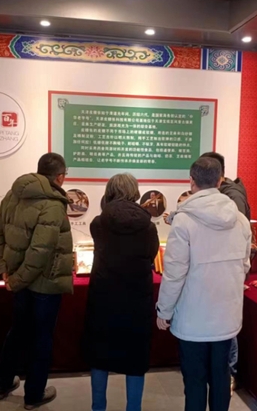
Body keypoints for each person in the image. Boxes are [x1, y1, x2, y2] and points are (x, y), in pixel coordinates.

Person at [156, 157, 251, 411]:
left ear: (191, 181)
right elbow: (244, 266)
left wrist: (164, 311)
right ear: (220, 181)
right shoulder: (240, 220)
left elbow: (174, 273)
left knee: (195, 381)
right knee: (221, 377)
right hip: (226, 317)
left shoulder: (183, 221)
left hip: (192, 318)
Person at [0, 153, 73, 410]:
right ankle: (34, 394)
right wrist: (16, 280)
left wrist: (4, 270)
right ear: (60, 177)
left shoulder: (13, 195)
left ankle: (3, 383)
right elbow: (40, 252)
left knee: (18, 331)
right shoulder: (53, 204)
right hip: (44, 283)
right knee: (41, 338)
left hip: (19, 279)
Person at [83, 173, 160, 411]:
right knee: (136, 359)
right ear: (135, 192)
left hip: (103, 299)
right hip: (137, 301)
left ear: (109, 192)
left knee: (99, 356)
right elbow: (151, 255)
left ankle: (98, 407)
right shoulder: (148, 227)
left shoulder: (98, 223)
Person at [200, 151, 251, 388]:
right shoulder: (223, 194)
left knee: (226, 327)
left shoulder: (232, 197)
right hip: (222, 269)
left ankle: (228, 374)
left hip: (227, 271)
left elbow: (233, 237)